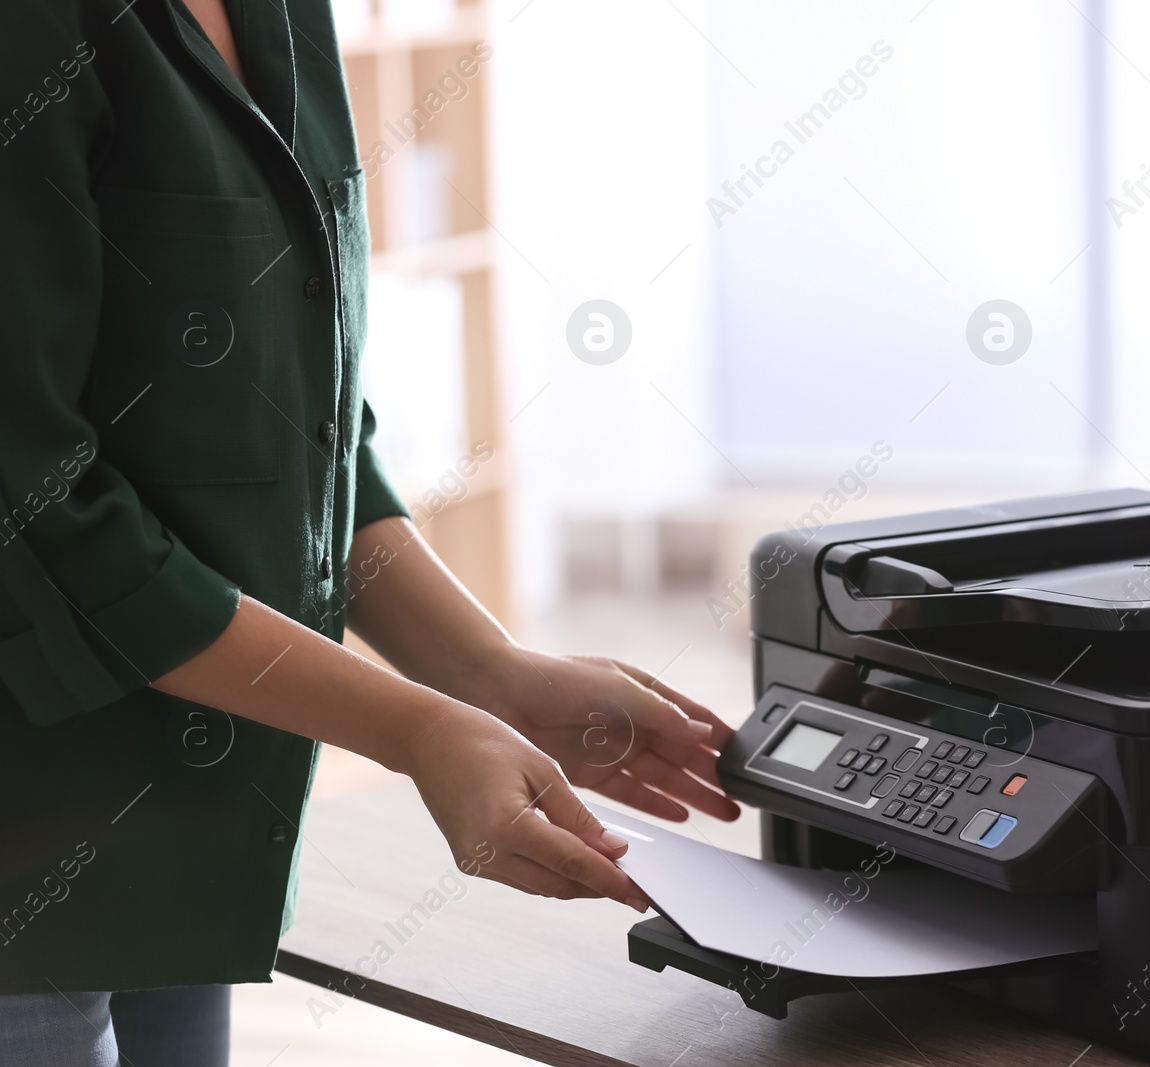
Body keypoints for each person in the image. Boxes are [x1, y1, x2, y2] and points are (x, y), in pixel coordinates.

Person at [0, 2, 739, 1063]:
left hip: (191, 817)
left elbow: (299, 428)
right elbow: (35, 511)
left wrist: (485, 671)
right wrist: (415, 726)